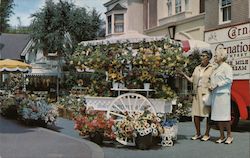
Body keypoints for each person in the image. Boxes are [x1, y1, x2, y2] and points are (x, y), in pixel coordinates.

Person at [180, 50, 214, 141]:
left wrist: (211, 87)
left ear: (208, 58)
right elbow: (192, 80)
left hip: (206, 92)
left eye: (204, 56)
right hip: (196, 92)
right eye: (201, 55)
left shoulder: (212, 68)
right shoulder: (197, 68)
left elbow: (214, 80)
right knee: (195, 114)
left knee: (207, 114)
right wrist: (183, 74)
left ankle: (207, 134)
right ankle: (198, 133)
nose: (201, 57)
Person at [209, 49, 233, 144]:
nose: (214, 57)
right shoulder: (217, 68)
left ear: (222, 56)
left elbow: (229, 80)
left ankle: (229, 136)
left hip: (223, 94)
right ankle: (222, 135)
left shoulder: (227, 67)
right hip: (216, 94)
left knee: (225, 116)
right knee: (218, 116)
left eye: (216, 56)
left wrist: (217, 84)